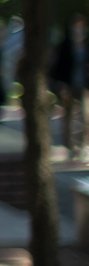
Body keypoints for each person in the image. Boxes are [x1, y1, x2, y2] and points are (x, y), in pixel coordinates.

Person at [53, 15, 89, 159]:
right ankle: (69, 146)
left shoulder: (86, 44)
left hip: (84, 85)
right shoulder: (64, 45)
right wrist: (61, 85)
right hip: (68, 85)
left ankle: (82, 145)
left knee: (84, 116)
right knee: (68, 117)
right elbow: (58, 67)